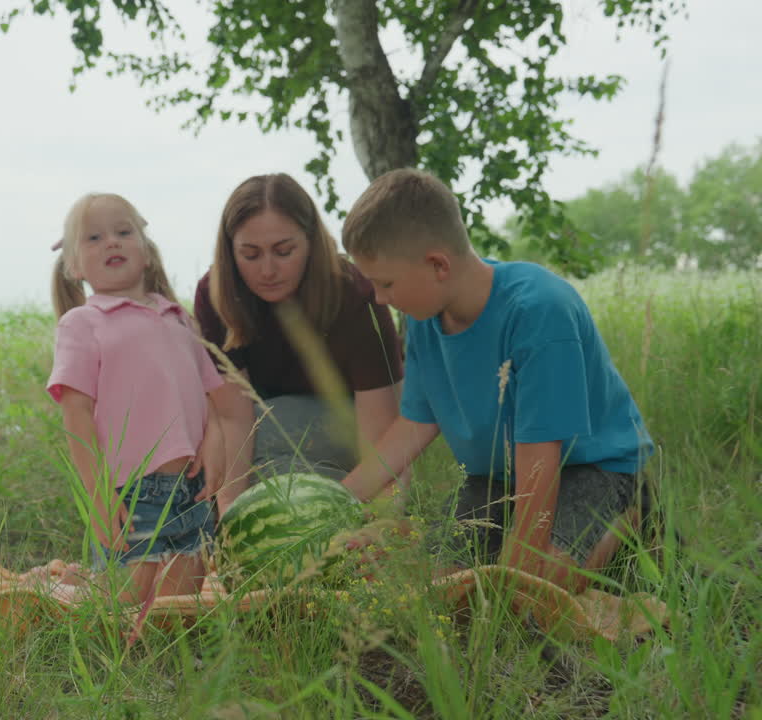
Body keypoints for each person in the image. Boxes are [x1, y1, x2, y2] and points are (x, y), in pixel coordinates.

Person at [340, 168, 654, 593]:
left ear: (437, 265)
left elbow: (541, 456)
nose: (380, 298)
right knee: (437, 586)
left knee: (537, 588)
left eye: (386, 283)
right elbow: (413, 425)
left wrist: (516, 575)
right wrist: (337, 502)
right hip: (495, 479)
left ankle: (630, 518)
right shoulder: (424, 322)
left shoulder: (540, 309)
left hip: (591, 467)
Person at [47, 192, 225, 603]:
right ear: (73, 266)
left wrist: (215, 441)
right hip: (131, 492)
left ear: (146, 252)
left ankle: (77, 585)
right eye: (93, 238)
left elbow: (207, 397)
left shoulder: (179, 319)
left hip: (192, 489)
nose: (111, 241)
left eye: (123, 232)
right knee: (126, 606)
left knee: (178, 607)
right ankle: (60, 593)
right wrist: (97, 496)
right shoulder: (83, 324)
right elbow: (76, 416)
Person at [194, 173, 404, 511]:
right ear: (230, 252)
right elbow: (233, 419)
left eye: (284, 251)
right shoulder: (215, 294)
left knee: (282, 428)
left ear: (311, 241)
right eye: (250, 255)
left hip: (345, 428)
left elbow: (382, 432)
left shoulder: (355, 293)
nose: (268, 270)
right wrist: (228, 513)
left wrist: (384, 521)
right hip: (254, 428)